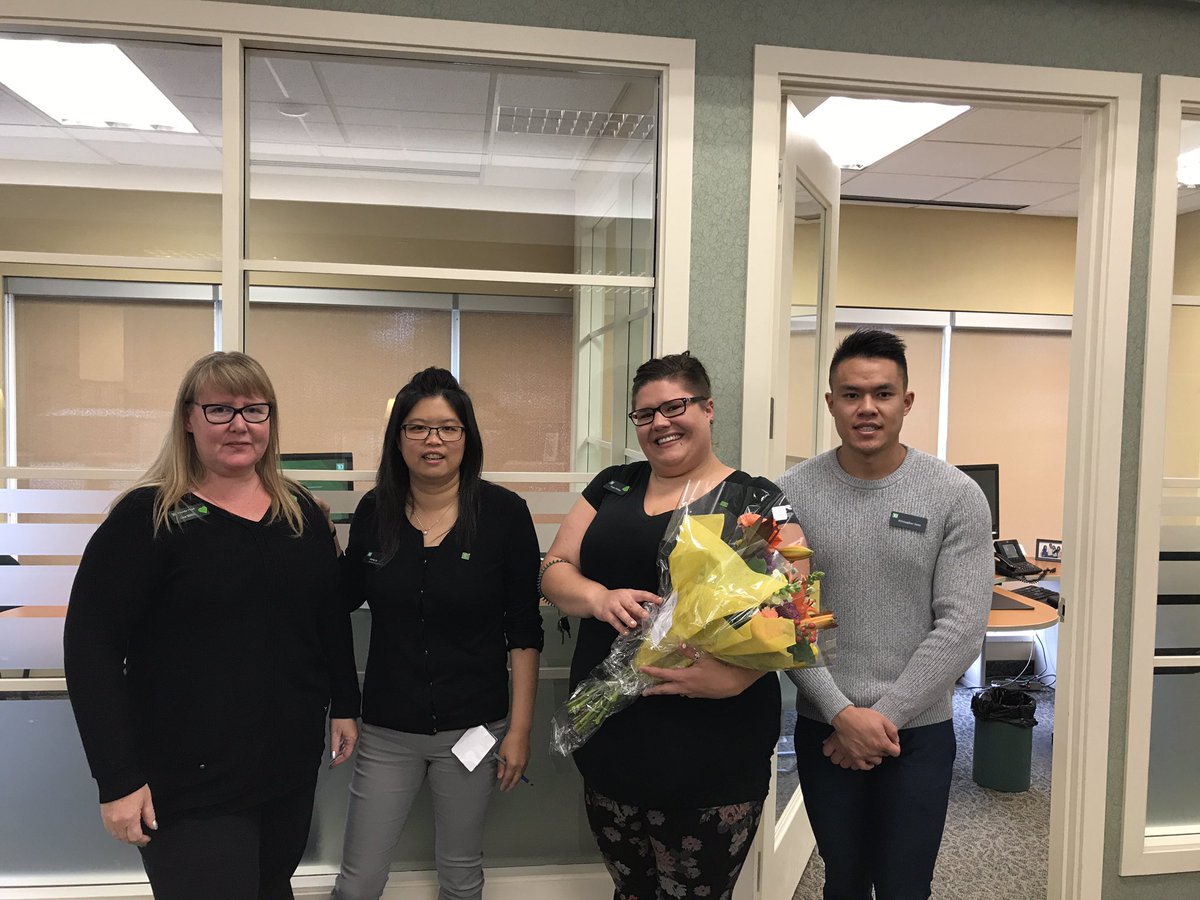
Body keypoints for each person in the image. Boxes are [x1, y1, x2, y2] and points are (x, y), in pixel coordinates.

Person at [63, 351, 361, 900]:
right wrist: (118, 779)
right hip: (188, 780)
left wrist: (345, 701)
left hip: (286, 770)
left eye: (255, 410)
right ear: (188, 419)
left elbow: (327, 617)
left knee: (272, 888)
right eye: (220, 409)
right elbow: (90, 650)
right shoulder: (146, 518)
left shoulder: (299, 515)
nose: (240, 425)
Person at [541, 352, 794, 900]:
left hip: (712, 749)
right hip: (612, 736)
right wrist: (597, 597)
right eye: (645, 414)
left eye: (674, 406)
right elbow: (553, 571)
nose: (660, 423)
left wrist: (738, 679)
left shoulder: (756, 501)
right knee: (631, 891)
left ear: (707, 409)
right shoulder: (613, 486)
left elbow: (795, 611)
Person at [779, 328, 993, 900]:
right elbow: (785, 619)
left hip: (919, 732)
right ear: (830, 403)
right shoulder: (789, 493)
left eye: (883, 393)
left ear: (907, 401)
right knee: (842, 880)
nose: (867, 408)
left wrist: (879, 722)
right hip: (826, 727)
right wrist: (840, 713)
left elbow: (961, 626)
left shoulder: (955, 494)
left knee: (905, 886)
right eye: (851, 394)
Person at [331, 367, 542, 900]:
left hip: (473, 729)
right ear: (397, 438)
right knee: (358, 882)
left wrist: (518, 730)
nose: (433, 441)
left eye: (448, 428)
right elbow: (338, 601)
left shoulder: (504, 514)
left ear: (467, 438)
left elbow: (523, 629)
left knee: (460, 872)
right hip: (386, 730)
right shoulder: (375, 511)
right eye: (417, 428)